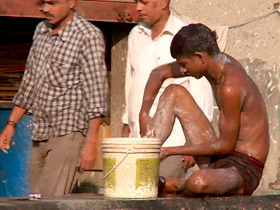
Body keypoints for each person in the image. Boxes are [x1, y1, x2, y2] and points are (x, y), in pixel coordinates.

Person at [140, 23, 269, 196]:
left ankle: (175, 186)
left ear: (200, 56)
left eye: (184, 64)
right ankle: (141, 163)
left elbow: (225, 146)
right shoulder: (209, 63)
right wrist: (143, 113)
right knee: (174, 93)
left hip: (242, 168)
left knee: (197, 182)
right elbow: (159, 73)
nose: (183, 70)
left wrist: (170, 151)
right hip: (221, 157)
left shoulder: (230, 85)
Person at [0, 0, 108, 196]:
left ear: (71, 2)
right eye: (42, 3)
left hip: (67, 133)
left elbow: (97, 93)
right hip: (39, 132)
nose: (45, 9)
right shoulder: (41, 30)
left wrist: (91, 143)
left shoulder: (88, 36)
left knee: (53, 202)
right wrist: (11, 124)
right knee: (35, 199)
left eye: (52, 3)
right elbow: (30, 82)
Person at [122, 0, 215, 180]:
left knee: (165, 195)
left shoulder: (186, 36)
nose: (138, 8)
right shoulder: (136, 34)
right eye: (137, 2)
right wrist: (128, 125)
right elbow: (131, 82)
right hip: (140, 139)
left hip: (174, 142)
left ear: (164, 2)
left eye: (145, 2)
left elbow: (201, 89)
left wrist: (193, 144)